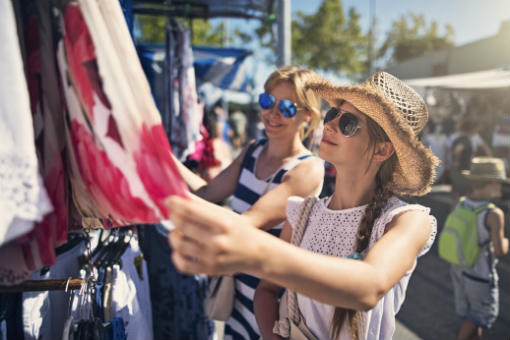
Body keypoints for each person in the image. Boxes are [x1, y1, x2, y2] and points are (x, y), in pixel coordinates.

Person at [167, 71, 440, 340]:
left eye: (348, 124)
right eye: (333, 115)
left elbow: (369, 286)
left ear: (381, 150)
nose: (329, 125)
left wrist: (254, 252)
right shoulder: (305, 212)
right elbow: (266, 292)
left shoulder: (408, 220)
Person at [171, 65, 325, 340]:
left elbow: (246, 223)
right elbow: (207, 193)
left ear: (308, 117)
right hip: (236, 294)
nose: (272, 113)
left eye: (287, 108)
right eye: (267, 101)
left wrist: (170, 200)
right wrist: (161, 157)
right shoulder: (254, 150)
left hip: (270, 306)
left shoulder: (307, 169)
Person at [447, 157, 508, 340]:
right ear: (492, 184)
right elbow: (499, 251)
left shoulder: (462, 202)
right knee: (479, 317)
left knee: (470, 315)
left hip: (459, 269)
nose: (500, 188)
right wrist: (507, 241)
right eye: (499, 183)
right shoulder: (493, 214)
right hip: (480, 275)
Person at [445, 114, 492, 206]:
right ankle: (462, 209)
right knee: (464, 191)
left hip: (458, 168)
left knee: (456, 192)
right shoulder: (464, 138)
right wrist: (456, 160)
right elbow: (458, 149)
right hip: (463, 168)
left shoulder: (470, 137)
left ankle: (454, 210)